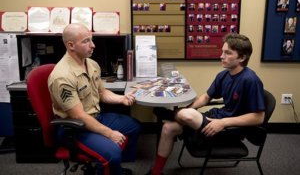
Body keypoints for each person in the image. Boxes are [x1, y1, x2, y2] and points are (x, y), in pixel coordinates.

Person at [146, 33, 265, 175]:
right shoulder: (224, 75)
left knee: (185, 114)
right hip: (215, 118)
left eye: (227, 53)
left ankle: (173, 114)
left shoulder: (250, 80)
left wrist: (223, 123)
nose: (221, 56)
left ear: (241, 58)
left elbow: (259, 117)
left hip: (230, 129)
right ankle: (156, 172)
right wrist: (191, 109)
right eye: (222, 51)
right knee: (168, 128)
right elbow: (207, 97)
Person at [48, 23, 141, 175]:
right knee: (112, 153)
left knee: (134, 126)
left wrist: (121, 99)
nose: (93, 45)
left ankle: (114, 169)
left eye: (91, 40)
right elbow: (78, 115)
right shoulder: (62, 76)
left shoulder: (91, 64)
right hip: (76, 128)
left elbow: (102, 92)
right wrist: (110, 134)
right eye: (86, 41)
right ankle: (110, 162)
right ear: (71, 45)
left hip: (96, 117)